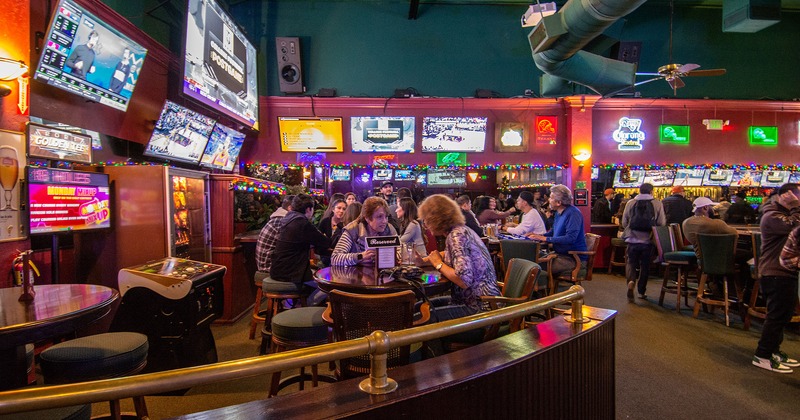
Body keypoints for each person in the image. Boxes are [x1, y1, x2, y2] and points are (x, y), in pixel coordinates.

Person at [417, 194, 500, 321]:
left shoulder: (457, 236)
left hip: (481, 310)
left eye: (426, 219)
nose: (425, 224)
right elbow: (453, 254)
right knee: (418, 308)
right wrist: (424, 261)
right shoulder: (459, 231)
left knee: (423, 318)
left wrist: (438, 264)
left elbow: (464, 280)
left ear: (436, 218)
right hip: (475, 302)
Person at [751, 183, 800, 373]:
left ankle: (773, 351)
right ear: (787, 195)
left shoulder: (777, 214)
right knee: (777, 316)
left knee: (783, 314)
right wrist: (796, 206)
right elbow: (796, 226)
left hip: (781, 271)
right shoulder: (771, 216)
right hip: (775, 272)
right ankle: (762, 355)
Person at [269, 194, 331, 301]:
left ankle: (296, 305)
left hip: (278, 269)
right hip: (290, 273)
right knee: (327, 285)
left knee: (318, 275)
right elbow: (325, 242)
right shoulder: (301, 223)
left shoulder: (289, 218)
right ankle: (307, 309)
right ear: (308, 209)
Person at [528, 185, 587, 290]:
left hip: (572, 259)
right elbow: (553, 232)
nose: (548, 200)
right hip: (560, 255)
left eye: (551, 197)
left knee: (534, 267)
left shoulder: (573, 213)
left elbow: (570, 238)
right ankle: (540, 297)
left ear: (559, 202)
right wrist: (539, 236)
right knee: (531, 261)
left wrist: (546, 239)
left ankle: (543, 298)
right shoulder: (559, 213)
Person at [681, 197, 741, 297]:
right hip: (718, 259)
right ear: (705, 208)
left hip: (702, 258)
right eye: (712, 207)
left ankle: (716, 285)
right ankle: (739, 293)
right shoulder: (716, 224)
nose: (714, 210)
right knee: (747, 256)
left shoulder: (686, 222)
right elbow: (735, 234)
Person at [621, 183, 666, 300]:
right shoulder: (657, 203)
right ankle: (641, 291)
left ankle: (631, 282)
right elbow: (661, 223)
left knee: (631, 263)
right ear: (651, 191)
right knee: (645, 266)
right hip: (648, 241)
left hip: (632, 239)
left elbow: (624, 221)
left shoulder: (631, 203)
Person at [331, 197, 398, 266]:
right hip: (356, 275)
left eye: (386, 216)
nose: (384, 221)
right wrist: (360, 256)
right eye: (379, 217)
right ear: (367, 218)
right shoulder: (353, 229)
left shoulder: (389, 228)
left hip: (384, 275)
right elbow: (335, 258)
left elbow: (400, 252)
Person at [255, 195, 293, 274]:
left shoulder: (279, 218)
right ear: (290, 208)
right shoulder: (282, 221)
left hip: (269, 264)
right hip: (269, 267)